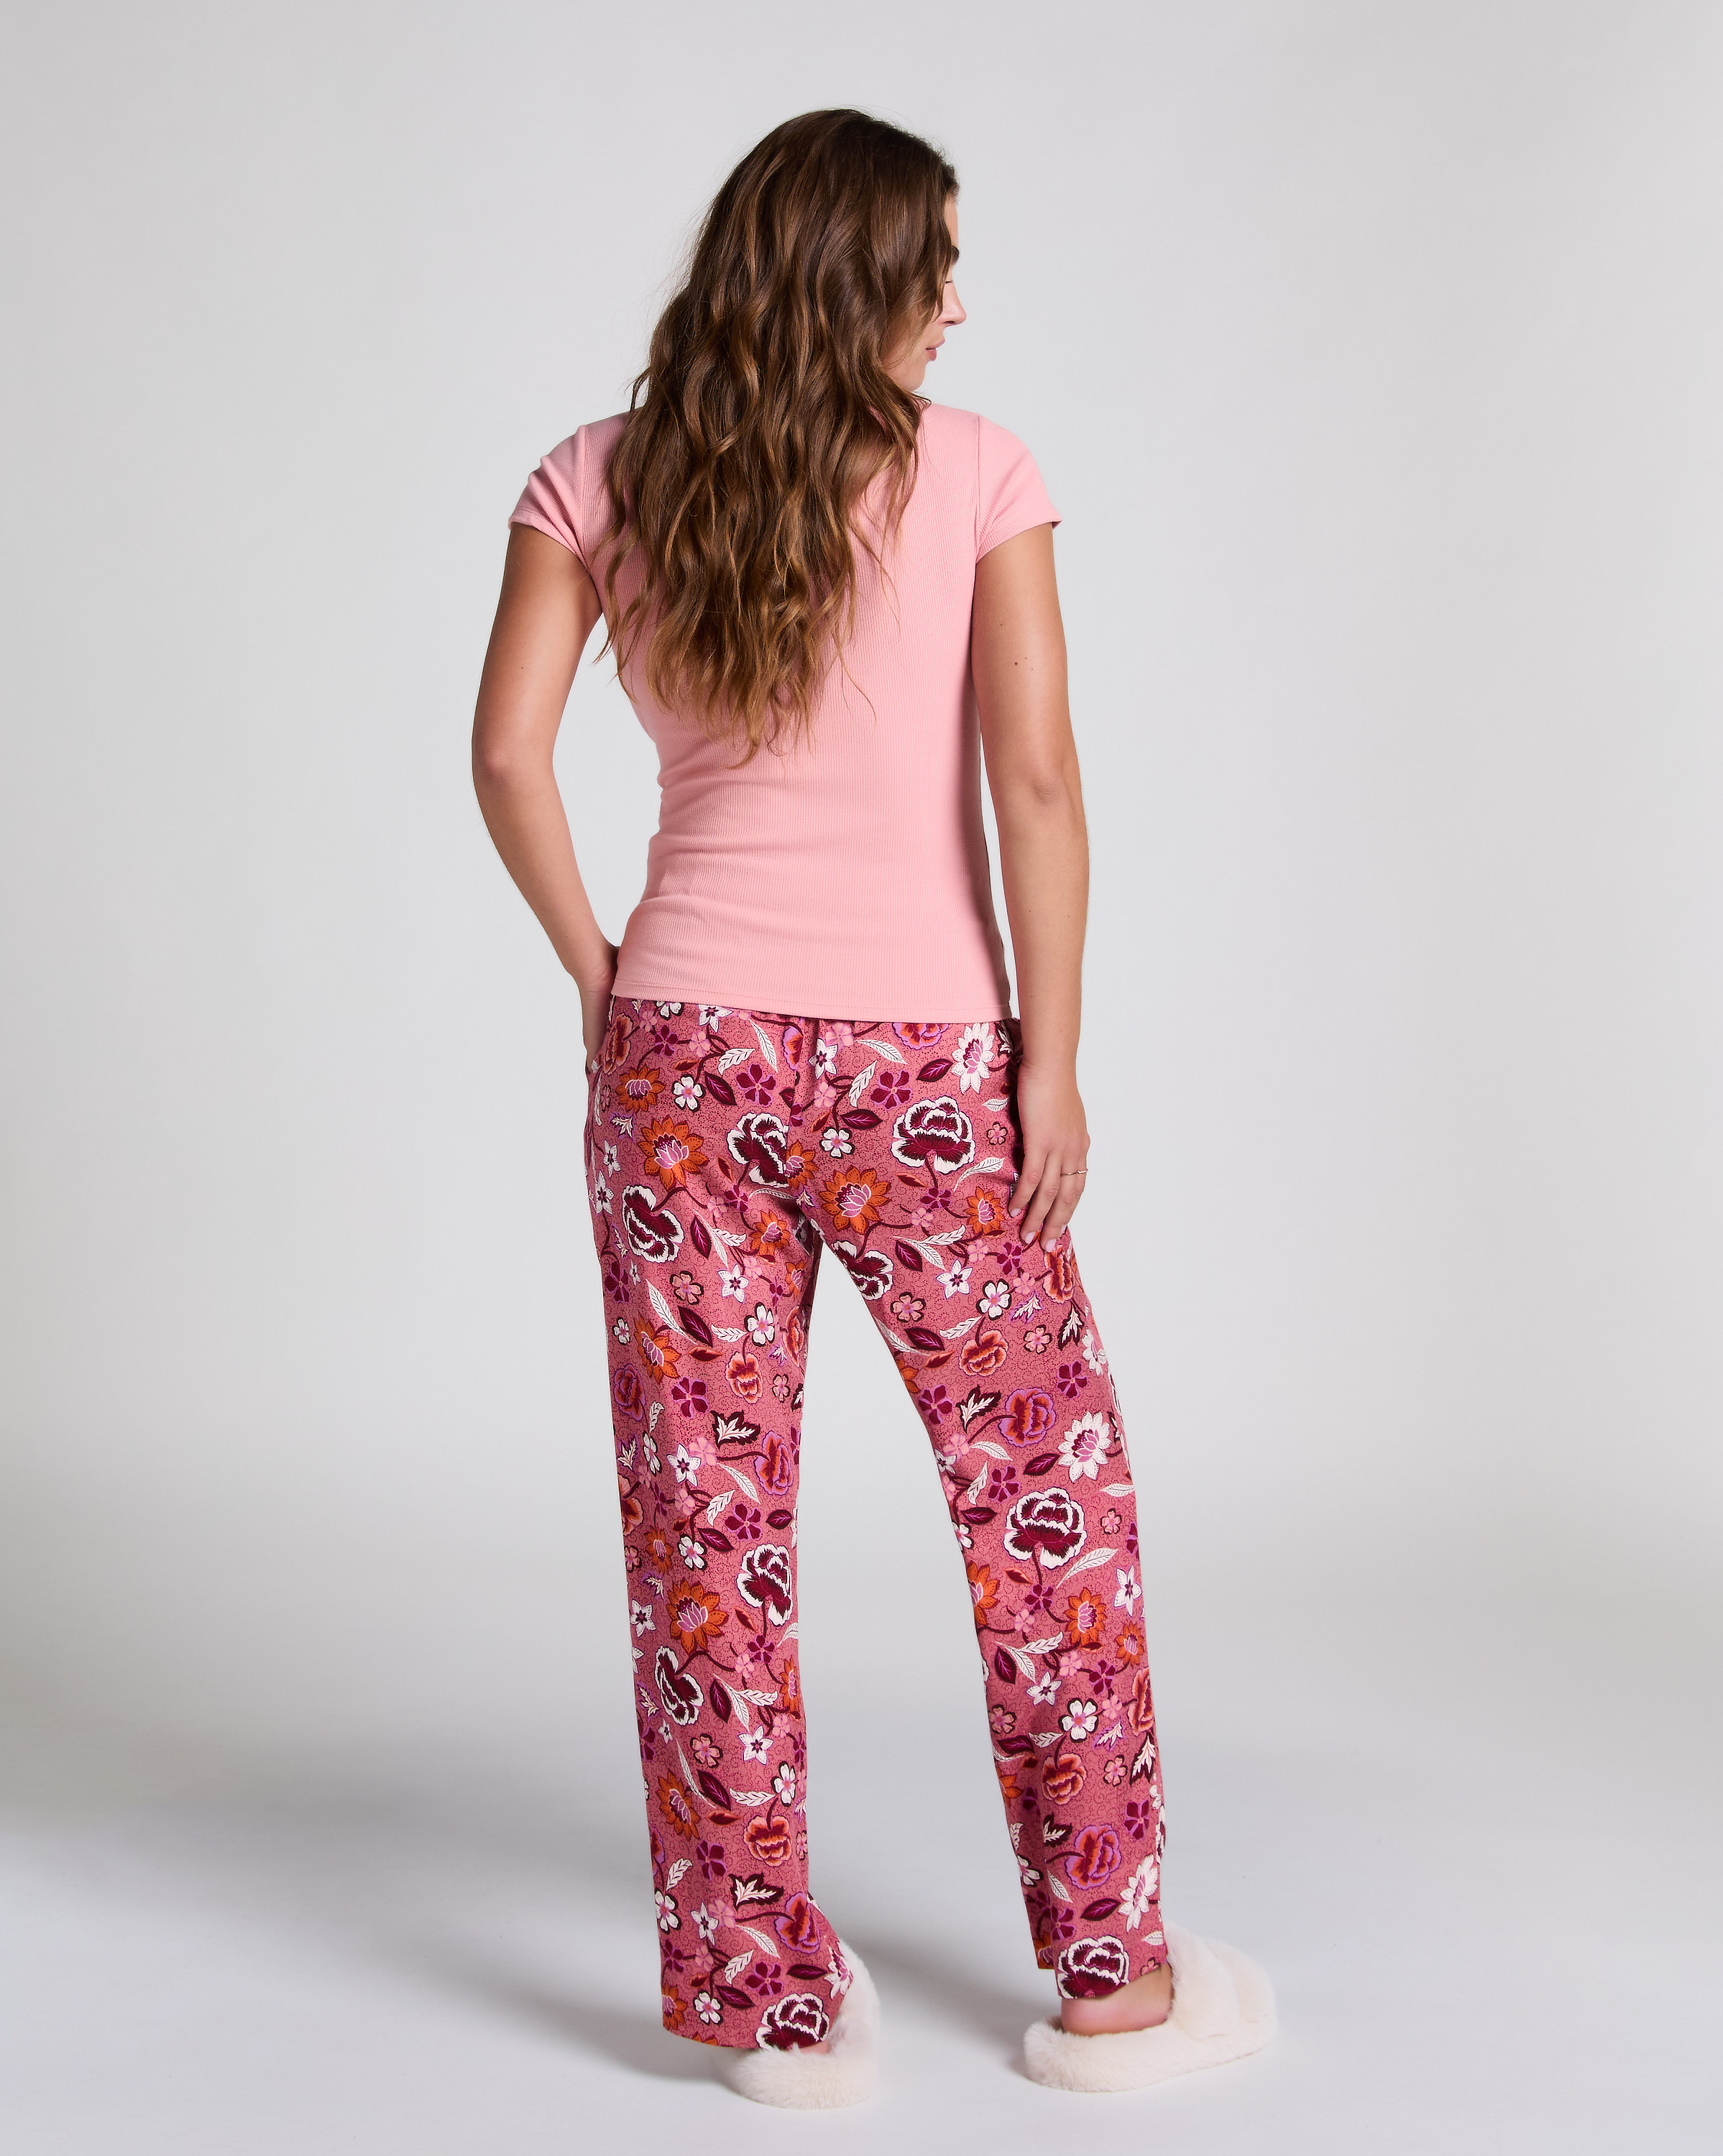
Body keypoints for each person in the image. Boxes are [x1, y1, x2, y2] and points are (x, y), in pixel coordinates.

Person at [471, 108, 1273, 2108]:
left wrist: (603, 979)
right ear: (863, 278)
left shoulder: (596, 473)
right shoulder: (978, 471)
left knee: (706, 1525)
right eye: (937, 264)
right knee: (1044, 1500)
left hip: (683, 1056)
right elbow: (1037, 782)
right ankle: (1111, 1988)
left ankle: (765, 2012)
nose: (958, 305)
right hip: (926, 1070)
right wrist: (1047, 1058)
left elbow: (503, 758)